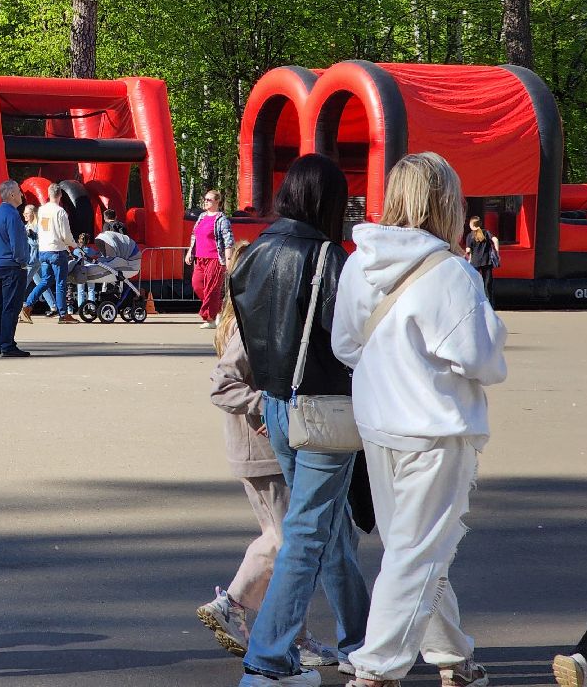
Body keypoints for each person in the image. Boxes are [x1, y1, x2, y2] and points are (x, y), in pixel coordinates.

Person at [332, 153, 506, 687]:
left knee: (418, 547)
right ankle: (377, 670)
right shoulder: (450, 272)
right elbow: (480, 359)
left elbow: (344, 345)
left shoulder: (360, 261)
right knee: (419, 553)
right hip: (437, 428)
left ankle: (452, 654)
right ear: (447, 203)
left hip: (380, 424)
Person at [229, 153, 369, 687]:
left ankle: (358, 637)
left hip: (274, 403)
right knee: (311, 532)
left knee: (324, 528)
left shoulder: (255, 251)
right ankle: (268, 658)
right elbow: (351, 341)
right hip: (324, 408)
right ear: (329, 202)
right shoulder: (333, 258)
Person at [201, 240, 338, 668]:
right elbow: (222, 384)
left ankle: (281, 628)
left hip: (259, 447)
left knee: (285, 540)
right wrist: (266, 405)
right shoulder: (248, 324)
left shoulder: (241, 319)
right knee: (287, 542)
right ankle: (243, 609)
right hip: (260, 449)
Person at [21, 185, 77, 324]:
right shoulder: (60, 212)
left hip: (43, 250)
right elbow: (65, 234)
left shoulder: (42, 210)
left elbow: (42, 229)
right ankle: (63, 314)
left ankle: (27, 306)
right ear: (60, 196)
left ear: (48, 194)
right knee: (60, 283)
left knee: (45, 280)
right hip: (57, 250)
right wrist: (75, 246)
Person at [0, 179, 32, 358]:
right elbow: (18, 243)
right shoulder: (13, 215)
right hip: (12, 266)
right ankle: (7, 344)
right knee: (11, 307)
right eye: (19, 192)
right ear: (12, 194)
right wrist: (23, 261)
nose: (22, 195)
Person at [187, 189, 234, 328]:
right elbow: (194, 235)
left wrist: (229, 259)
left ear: (217, 202)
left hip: (215, 258)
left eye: (209, 200)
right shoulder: (201, 217)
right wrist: (190, 251)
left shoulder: (222, 220)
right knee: (197, 284)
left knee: (212, 289)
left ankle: (210, 319)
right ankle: (219, 310)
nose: (206, 202)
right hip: (200, 258)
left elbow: (228, 240)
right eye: (205, 199)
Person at [462, 216, 499, 306]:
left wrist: (465, 257)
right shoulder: (486, 233)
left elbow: (468, 250)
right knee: (487, 285)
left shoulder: (470, 236)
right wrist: (497, 252)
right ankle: (490, 305)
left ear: (471, 225)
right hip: (487, 262)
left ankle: (473, 304)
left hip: (475, 263)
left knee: (474, 284)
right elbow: (495, 239)